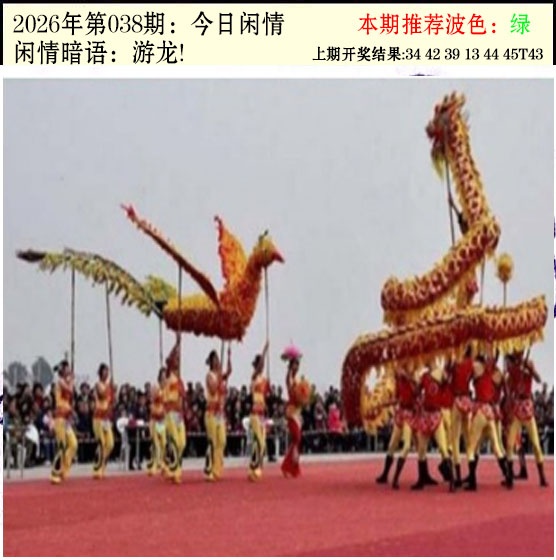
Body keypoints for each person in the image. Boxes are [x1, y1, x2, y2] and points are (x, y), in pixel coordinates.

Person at [463, 352, 510, 491]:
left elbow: (466, 379)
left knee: (471, 448)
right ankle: (508, 476)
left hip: (480, 410)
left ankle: (472, 481)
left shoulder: (477, 366)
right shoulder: (497, 373)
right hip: (490, 411)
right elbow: (504, 391)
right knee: (496, 447)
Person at [504, 351, 548, 488]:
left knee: (535, 444)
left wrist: (530, 370)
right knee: (510, 443)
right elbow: (509, 391)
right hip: (517, 408)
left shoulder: (528, 364)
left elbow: (538, 379)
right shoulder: (512, 370)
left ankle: (542, 476)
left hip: (527, 407)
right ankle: (509, 476)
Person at [411, 362, 454, 492]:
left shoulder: (440, 373)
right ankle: (421, 479)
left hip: (436, 415)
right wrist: (412, 380)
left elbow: (448, 382)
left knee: (443, 448)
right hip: (426, 415)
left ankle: (452, 480)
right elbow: (416, 392)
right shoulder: (424, 376)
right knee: (421, 449)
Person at [375, 367, 418, 489]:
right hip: (401, 415)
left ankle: (395, 477)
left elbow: (416, 392)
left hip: (409, 416)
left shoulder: (413, 379)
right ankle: (385, 474)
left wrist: (408, 378)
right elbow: (398, 399)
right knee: (392, 445)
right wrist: (385, 404)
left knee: (407, 446)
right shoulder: (399, 381)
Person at [447, 347, 474, 488]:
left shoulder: (455, 362)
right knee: (468, 440)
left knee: (455, 439)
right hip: (467, 401)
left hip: (457, 401)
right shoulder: (471, 363)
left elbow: (447, 379)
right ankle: (472, 476)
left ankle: (457, 476)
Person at [204, 346, 232, 482]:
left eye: (217, 359)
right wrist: (219, 379)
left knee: (222, 441)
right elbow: (213, 389)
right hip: (211, 413)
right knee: (213, 442)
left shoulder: (220, 375)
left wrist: (229, 357)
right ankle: (210, 469)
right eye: (214, 359)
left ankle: (217, 468)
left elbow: (229, 372)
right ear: (211, 362)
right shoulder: (210, 375)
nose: (216, 361)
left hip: (220, 414)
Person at [280, 347, 308, 478]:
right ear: (291, 366)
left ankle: (292, 466)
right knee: (296, 438)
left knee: (297, 440)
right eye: (296, 365)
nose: (297, 367)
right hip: (291, 412)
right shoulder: (289, 378)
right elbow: (292, 392)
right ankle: (287, 466)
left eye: (298, 365)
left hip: (297, 412)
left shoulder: (296, 379)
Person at [50, 360, 78, 485]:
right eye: (67, 368)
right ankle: (55, 473)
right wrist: (71, 380)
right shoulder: (60, 381)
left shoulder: (66, 381)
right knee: (61, 446)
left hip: (66, 419)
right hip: (60, 418)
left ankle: (64, 468)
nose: (69, 370)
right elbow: (70, 390)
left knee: (73, 444)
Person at [163, 340, 187, 484]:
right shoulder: (168, 374)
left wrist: (183, 412)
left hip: (178, 415)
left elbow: (182, 398)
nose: (177, 361)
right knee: (176, 442)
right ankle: (175, 471)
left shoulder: (180, 380)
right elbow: (169, 360)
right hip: (170, 413)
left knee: (182, 443)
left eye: (178, 359)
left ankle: (171, 464)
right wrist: (177, 344)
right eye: (176, 359)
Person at [248, 341, 269, 481]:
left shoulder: (263, 379)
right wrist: (264, 350)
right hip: (255, 414)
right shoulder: (254, 377)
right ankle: (254, 469)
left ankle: (257, 467)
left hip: (262, 414)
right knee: (259, 442)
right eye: (260, 364)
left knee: (262, 443)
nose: (262, 366)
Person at [92, 363, 114, 479]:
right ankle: (98, 469)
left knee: (110, 444)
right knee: (101, 444)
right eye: (104, 371)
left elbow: (111, 401)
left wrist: (113, 392)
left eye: (107, 371)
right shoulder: (98, 385)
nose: (106, 373)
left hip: (106, 418)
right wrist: (110, 388)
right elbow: (101, 395)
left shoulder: (108, 386)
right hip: (98, 418)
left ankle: (102, 465)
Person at [147, 367, 167, 477]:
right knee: (156, 443)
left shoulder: (167, 389)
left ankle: (163, 463)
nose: (164, 378)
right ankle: (153, 465)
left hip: (162, 420)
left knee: (163, 443)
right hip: (155, 419)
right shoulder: (155, 387)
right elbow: (152, 401)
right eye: (163, 376)